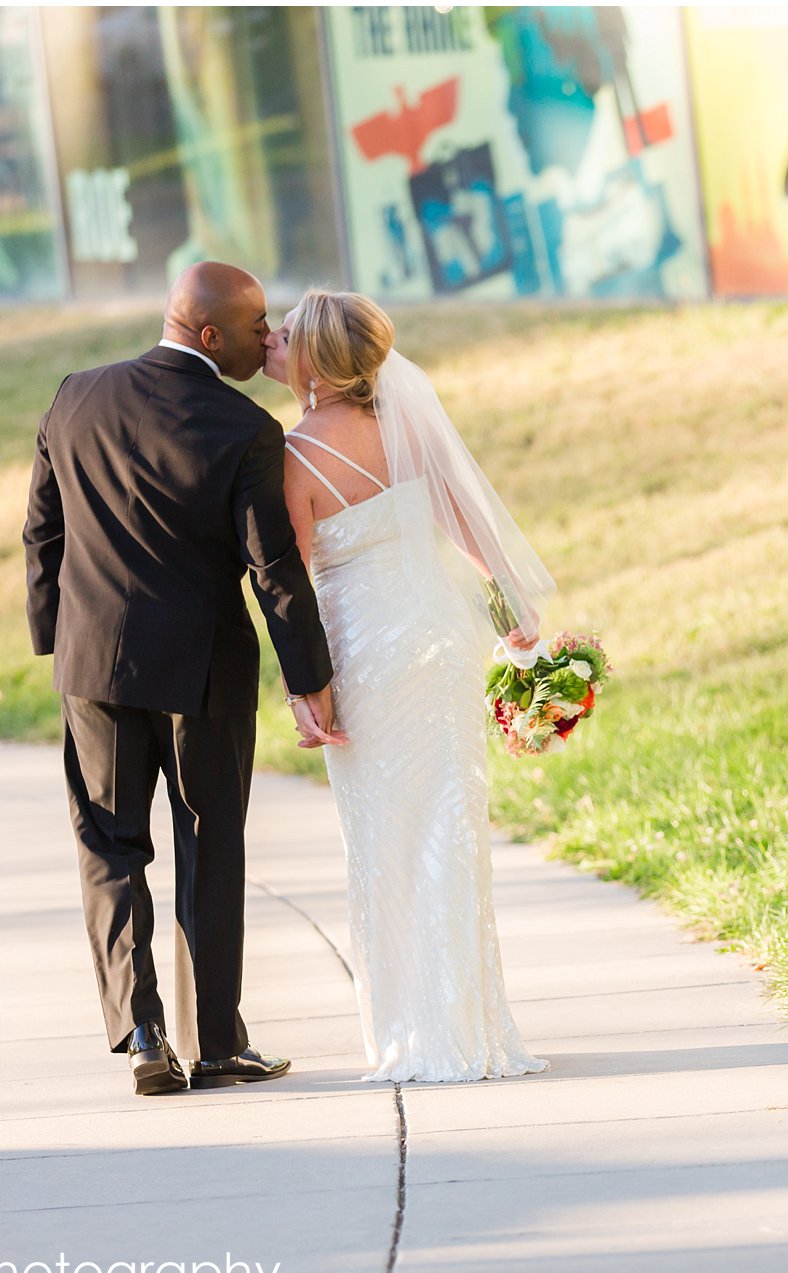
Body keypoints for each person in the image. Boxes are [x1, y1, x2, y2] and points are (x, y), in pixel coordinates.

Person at [23, 261, 347, 1097]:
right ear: (210, 335)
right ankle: (215, 1042)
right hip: (204, 675)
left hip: (92, 666)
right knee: (211, 841)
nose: (265, 336)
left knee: (109, 843)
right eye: (253, 326)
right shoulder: (245, 429)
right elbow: (273, 567)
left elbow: (41, 532)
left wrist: (56, 637)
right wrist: (310, 677)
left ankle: (141, 1034)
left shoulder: (75, 396)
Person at [262, 288, 554, 1082]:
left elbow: (290, 582)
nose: (270, 343)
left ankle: (416, 1030)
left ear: (316, 360)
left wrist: (305, 691)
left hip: (368, 657)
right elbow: (467, 524)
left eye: (285, 336)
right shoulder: (408, 426)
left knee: (385, 840)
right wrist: (511, 610)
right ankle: (473, 1023)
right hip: (441, 637)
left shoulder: (292, 457)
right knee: (453, 829)